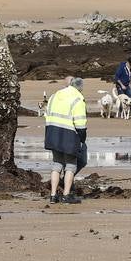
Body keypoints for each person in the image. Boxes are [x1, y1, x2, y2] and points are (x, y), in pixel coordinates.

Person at [44, 76, 88, 204]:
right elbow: (80, 123)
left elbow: (47, 113)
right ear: (80, 88)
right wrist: (82, 139)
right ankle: (66, 195)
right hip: (68, 133)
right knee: (71, 165)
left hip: (52, 131)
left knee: (57, 164)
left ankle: (53, 195)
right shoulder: (78, 98)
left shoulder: (55, 95)